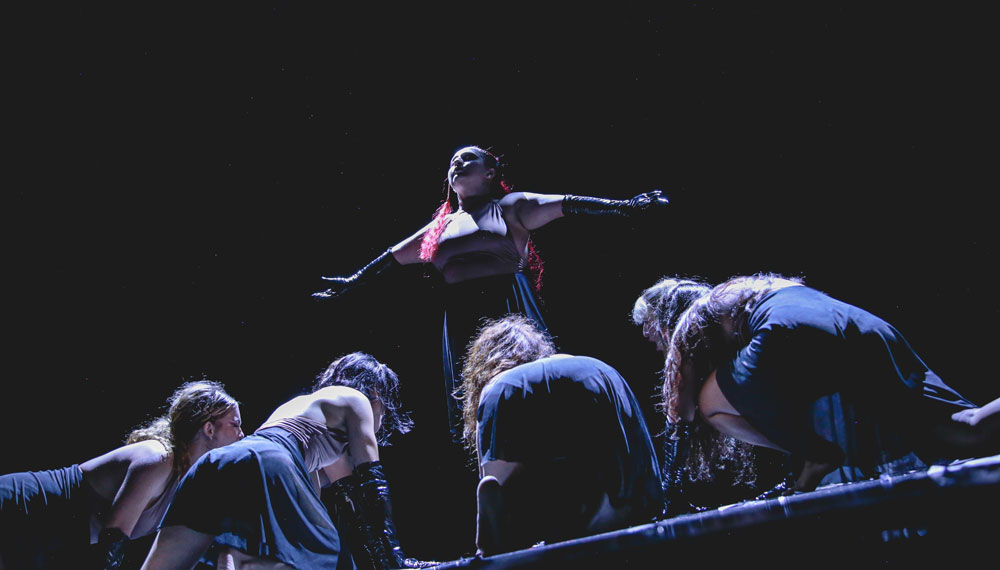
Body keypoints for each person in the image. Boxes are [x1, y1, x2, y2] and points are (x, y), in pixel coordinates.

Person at [313, 145, 669, 438]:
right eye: (453, 161)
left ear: (490, 173)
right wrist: (353, 280)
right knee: (476, 398)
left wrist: (626, 207)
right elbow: (392, 257)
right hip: (461, 316)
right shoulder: (440, 226)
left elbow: (567, 203)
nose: (457, 164)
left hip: (507, 305)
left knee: (525, 386)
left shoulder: (510, 207)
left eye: (468, 158)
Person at [661, 273, 1000, 494]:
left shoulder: (696, 317)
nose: (654, 342)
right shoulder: (750, 287)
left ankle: (815, 454)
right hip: (858, 323)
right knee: (965, 429)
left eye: (651, 332)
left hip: (788, 332)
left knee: (710, 404)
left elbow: (684, 408)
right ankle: (814, 457)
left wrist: (671, 476)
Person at [140, 352, 420, 570]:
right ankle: (246, 562)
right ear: (376, 395)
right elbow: (371, 489)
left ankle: (241, 559)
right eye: (383, 410)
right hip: (272, 460)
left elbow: (342, 504)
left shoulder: (308, 411)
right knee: (324, 556)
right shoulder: (357, 400)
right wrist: (394, 561)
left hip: (221, 460)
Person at [457, 315, 662, 555]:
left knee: (498, 488)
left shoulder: (499, 386)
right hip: (594, 376)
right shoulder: (592, 365)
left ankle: (500, 542)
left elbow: (493, 477)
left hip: (556, 508)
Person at [0, 380, 243, 570]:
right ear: (209, 428)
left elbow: (210, 546)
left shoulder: (185, 479)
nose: (242, 435)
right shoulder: (160, 459)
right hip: (22, 508)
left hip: (49, 536)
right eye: (235, 424)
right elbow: (112, 538)